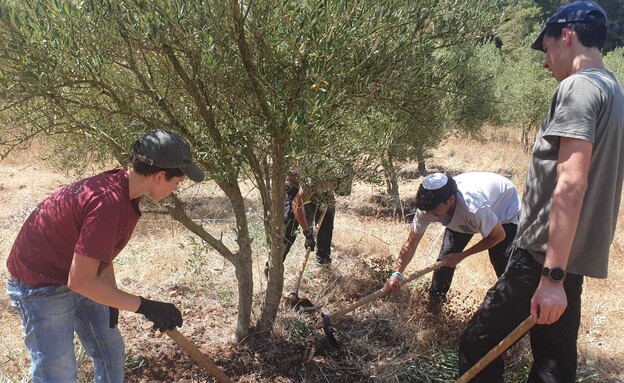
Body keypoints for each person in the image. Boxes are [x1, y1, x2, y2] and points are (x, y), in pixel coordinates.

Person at [458, 2, 624, 381]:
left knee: (476, 342)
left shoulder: (578, 87)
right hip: (570, 259)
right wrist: (561, 274)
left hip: (543, 258)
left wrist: (551, 278)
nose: (546, 62)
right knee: (553, 365)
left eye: (547, 49)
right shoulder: (613, 88)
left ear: (566, 37)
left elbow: (571, 181)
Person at [5, 129, 205, 383]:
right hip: (40, 283)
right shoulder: (108, 203)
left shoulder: (124, 190)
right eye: (177, 182)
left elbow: (100, 254)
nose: (176, 188)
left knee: (110, 351)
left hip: (76, 273)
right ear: (160, 176)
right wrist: (146, 306)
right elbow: (80, 282)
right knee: (58, 373)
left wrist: (111, 292)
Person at [386, 172, 521, 314]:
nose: (431, 215)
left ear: (450, 199)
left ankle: (516, 310)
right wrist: (397, 274)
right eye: (428, 212)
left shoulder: (474, 208)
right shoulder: (427, 209)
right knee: (446, 258)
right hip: (466, 215)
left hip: (504, 209)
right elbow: (411, 244)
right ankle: (434, 306)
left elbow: (498, 236)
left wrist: (462, 255)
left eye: (435, 212)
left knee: (501, 263)